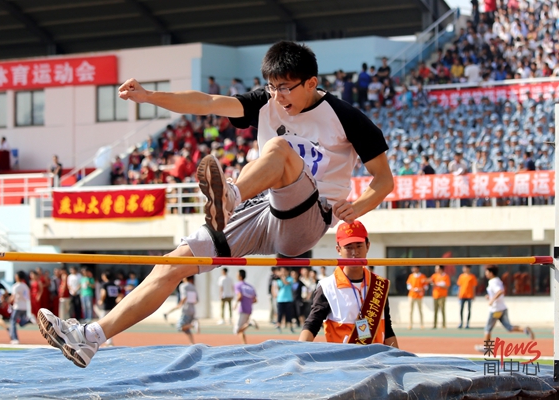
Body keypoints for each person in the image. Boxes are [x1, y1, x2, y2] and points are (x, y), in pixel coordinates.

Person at [37, 40, 393, 368]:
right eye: (272, 87)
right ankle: (90, 337)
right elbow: (207, 102)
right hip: (263, 211)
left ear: (311, 83)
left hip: (309, 218)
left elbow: (383, 180)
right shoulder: (265, 102)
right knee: (171, 265)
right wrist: (148, 96)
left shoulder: (347, 118)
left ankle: (230, 197)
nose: (278, 96)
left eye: (286, 88)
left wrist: (359, 207)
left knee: (280, 150)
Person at [299, 220, 398, 347]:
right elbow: (312, 324)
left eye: (359, 246)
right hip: (344, 362)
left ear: (368, 246)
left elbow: (387, 328)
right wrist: (298, 354)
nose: (354, 252)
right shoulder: (327, 287)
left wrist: (399, 359)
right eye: (348, 247)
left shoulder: (380, 285)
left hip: (377, 361)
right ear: (338, 249)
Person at [476, 266, 534, 352]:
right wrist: (490, 297)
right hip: (502, 308)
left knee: (487, 328)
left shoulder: (493, 282)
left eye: (487, 272)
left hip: (495, 309)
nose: (486, 273)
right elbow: (499, 292)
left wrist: (492, 300)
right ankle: (525, 329)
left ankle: (486, 347)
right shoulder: (497, 280)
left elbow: (500, 291)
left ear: (491, 273)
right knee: (509, 327)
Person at [232, 269, 258, 344]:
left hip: (242, 309)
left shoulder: (238, 285)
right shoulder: (251, 287)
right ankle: (244, 344)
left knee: (237, 330)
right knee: (242, 330)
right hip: (249, 309)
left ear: (240, 276)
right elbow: (255, 300)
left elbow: (240, 296)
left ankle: (250, 323)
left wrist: (235, 303)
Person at [97, 271, 120, 347]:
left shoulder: (104, 285)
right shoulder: (114, 285)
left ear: (105, 276)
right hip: (112, 306)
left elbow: (103, 293)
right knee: (109, 323)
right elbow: (120, 294)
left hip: (105, 306)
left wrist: (101, 300)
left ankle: (99, 342)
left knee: (100, 324)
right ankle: (109, 341)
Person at [175, 276, 199, 345]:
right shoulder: (193, 287)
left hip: (186, 309)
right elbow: (196, 300)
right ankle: (192, 343)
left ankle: (193, 325)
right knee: (186, 329)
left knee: (179, 327)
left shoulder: (183, 286)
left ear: (186, 278)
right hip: (192, 309)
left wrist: (180, 304)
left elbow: (184, 296)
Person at [9, 271, 31, 345]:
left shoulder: (16, 286)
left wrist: (7, 301)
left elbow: (13, 297)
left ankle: (15, 338)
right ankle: (27, 321)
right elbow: (27, 297)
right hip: (24, 306)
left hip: (17, 306)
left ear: (18, 277)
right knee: (20, 322)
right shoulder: (25, 286)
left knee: (12, 321)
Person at [274, 267, 295, 334]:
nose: (283, 272)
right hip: (280, 299)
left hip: (288, 299)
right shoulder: (278, 280)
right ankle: (278, 326)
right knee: (280, 314)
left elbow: (286, 283)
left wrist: (283, 278)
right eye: (281, 271)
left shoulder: (290, 279)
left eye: (284, 271)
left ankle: (290, 328)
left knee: (289, 314)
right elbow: (278, 287)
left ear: (287, 272)